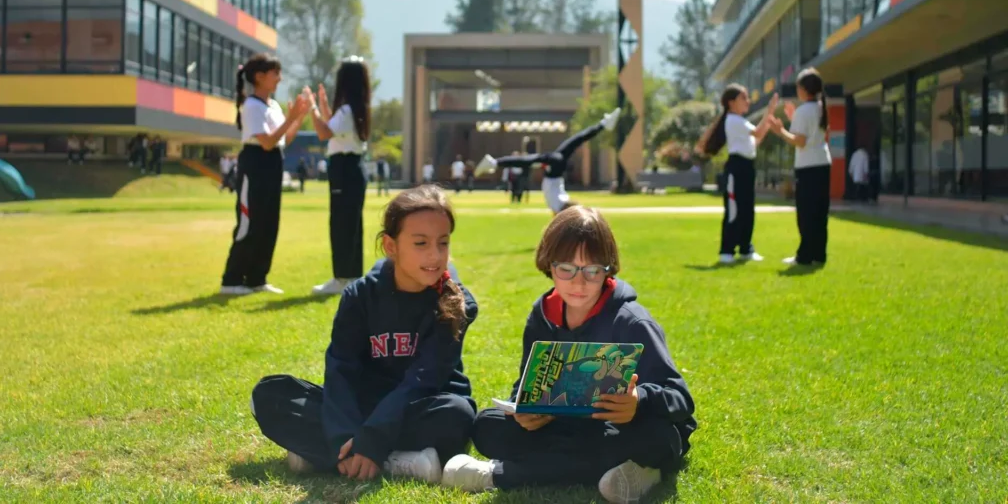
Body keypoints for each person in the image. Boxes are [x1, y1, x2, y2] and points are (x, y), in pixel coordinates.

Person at [441, 206, 696, 503]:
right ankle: (633, 472)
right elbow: (528, 383)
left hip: (620, 428)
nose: (579, 282)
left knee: (657, 438)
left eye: (592, 270)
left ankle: (499, 475)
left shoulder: (631, 320)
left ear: (608, 268)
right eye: (567, 268)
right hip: (568, 427)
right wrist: (525, 411)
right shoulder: (543, 315)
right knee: (488, 425)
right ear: (549, 264)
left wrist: (639, 401)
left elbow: (680, 398)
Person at [250, 185, 478, 484]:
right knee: (270, 395)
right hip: (364, 407)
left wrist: (373, 436)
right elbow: (341, 367)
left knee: (458, 414)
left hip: (422, 405)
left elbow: (423, 379)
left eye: (443, 243)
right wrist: (345, 432)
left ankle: (327, 455)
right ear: (390, 246)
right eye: (420, 243)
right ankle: (396, 462)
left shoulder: (456, 302)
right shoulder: (360, 295)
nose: (435, 255)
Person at [220, 55, 310, 296]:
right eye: (275, 74)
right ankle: (231, 280)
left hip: (273, 163)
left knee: (269, 223)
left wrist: (299, 117)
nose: (279, 79)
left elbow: (284, 139)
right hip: (255, 162)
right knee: (250, 222)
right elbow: (267, 142)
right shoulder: (251, 106)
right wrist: (291, 118)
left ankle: (257, 278)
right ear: (259, 77)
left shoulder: (273, 106)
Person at [475, 109, 621, 214]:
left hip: (556, 169)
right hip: (555, 171)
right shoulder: (558, 204)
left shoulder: (558, 204)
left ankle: (603, 124)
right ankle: (603, 124)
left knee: (575, 141)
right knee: (531, 159)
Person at [308, 57, 372, 297]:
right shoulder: (356, 108)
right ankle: (351, 275)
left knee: (341, 224)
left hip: (344, 168)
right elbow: (335, 126)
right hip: (353, 168)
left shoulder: (347, 110)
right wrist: (324, 107)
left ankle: (342, 277)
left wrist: (312, 108)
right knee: (352, 223)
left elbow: (325, 132)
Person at [695, 86, 777, 264]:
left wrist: (768, 121)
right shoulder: (734, 120)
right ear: (731, 103)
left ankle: (746, 248)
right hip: (736, 168)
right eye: (743, 98)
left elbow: (755, 141)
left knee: (747, 210)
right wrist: (769, 111)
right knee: (734, 210)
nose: (747, 101)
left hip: (747, 167)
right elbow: (757, 131)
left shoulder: (740, 122)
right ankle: (727, 251)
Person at [770, 68, 832, 266]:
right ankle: (819, 254)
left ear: (804, 89)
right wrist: (792, 119)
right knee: (820, 212)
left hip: (807, 166)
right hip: (823, 163)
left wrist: (781, 131)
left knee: (806, 213)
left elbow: (800, 141)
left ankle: (804, 256)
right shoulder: (821, 107)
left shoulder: (804, 110)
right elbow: (813, 133)